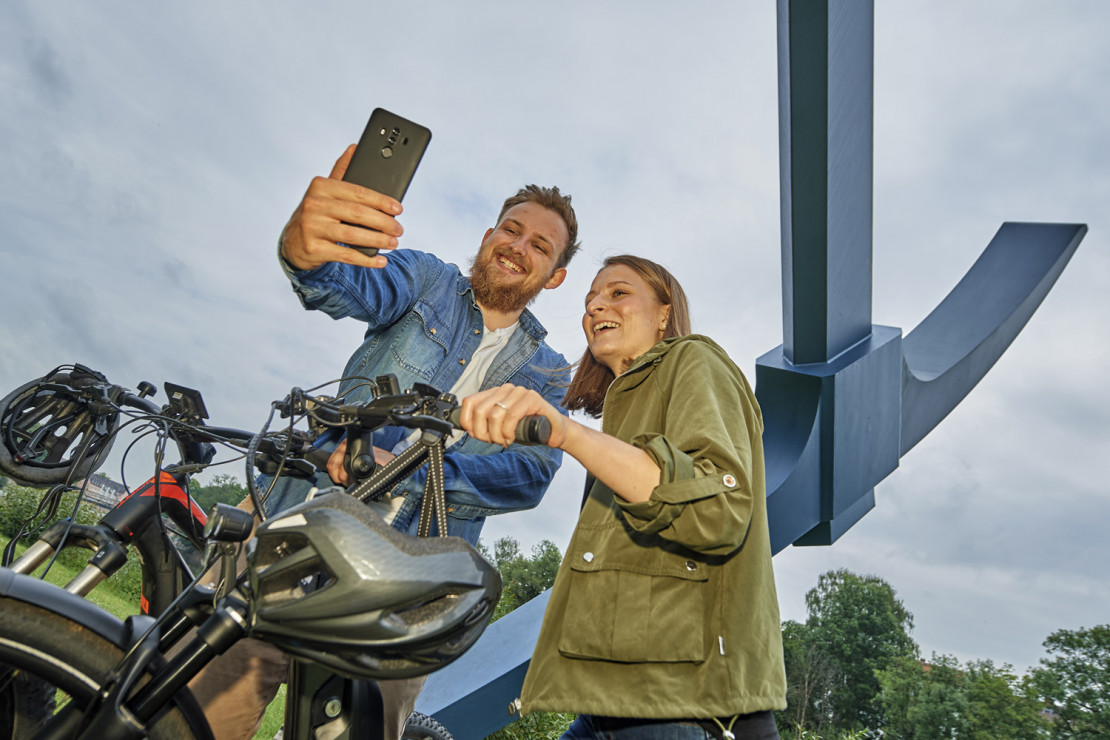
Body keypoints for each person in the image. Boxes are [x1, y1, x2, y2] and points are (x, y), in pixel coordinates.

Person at [189, 144, 582, 740]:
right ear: (487, 235)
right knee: (214, 693)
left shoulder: (551, 372)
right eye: (511, 229)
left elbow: (530, 475)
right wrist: (307, 250)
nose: (517, 247)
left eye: (539, 246)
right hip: (303, 504)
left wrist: (410, 471)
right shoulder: (426, 281)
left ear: (553, 277)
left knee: (360, 726)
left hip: (419, 567)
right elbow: (348, 283)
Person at [461, 255, 787, 739]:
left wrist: (565, 433)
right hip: (612, 701)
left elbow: (718, 511)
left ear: (663, 312)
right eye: (590, 298)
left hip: (683, 706)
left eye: (617, 292)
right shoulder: (625, 408)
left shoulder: (695, 358)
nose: (595, 306)